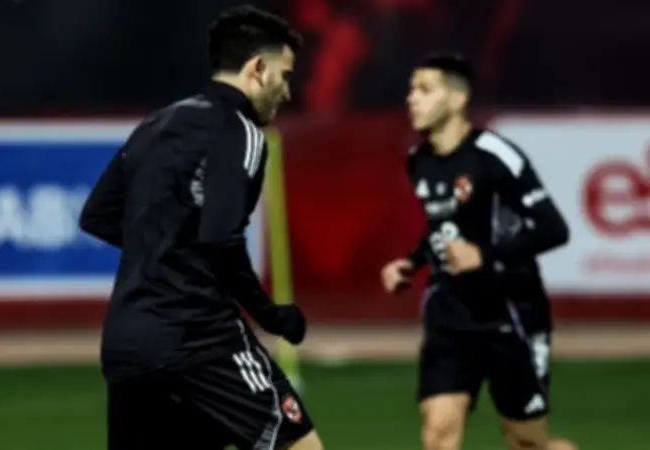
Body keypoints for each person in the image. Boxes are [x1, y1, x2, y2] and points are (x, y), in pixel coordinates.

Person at [79, 5, 323, 450]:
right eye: (285, 76)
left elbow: (96, 216)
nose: (287, 92)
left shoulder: (156, 124)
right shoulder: (241, 132)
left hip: (127, 340)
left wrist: (166, 246)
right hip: (200, 337)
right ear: (257, 68)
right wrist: (272, 316)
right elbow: (221, 239)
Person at [380, 54, 578, 450]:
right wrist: (412, 262)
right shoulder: (419, 161)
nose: (412, 98)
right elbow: (443, 225)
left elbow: (554, 228)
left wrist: (484, 255)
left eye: (425, 89)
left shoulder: (495, 155)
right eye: (411, 89)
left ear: (457, 99)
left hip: (510, 311)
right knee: (438, 434)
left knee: (526, 441)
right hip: (450, 311)